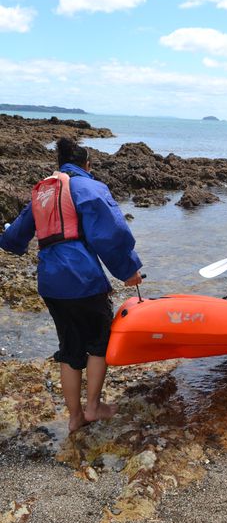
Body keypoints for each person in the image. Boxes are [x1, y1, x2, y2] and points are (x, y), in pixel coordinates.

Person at [0, 137, 143, 433]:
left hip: (51, 284)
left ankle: (75, 417)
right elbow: (111, 234)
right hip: (84, 281)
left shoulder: (43, 191)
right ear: (87, 164)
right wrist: (129, 271)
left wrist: (6, 233)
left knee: (69, 348)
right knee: (99, 343)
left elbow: (15, 239)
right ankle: (93, 407)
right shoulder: (89, 187)